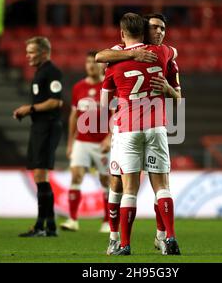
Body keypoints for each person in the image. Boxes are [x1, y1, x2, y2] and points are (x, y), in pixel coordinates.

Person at [96, 13, 182, 255]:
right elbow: (173, 51)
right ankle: (170, 238)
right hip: (156, 128)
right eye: (155, 28)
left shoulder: (113, 62)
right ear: (144, 31)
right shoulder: (163, 53)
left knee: (128, 189)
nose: (159, 32)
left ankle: (123, 244)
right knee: (162, 187)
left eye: (162, 28)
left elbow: (103, 104)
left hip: (127, 130)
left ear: (123, 33)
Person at [13, 37, 63, 237]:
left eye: (31, 52)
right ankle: (48, 226)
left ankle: (43, 226)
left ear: (44, 52)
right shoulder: (40, 73)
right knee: (38, 176)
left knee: (41, 175)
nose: (27, 56)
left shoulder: (52, 72)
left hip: (48, 126)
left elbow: (56, 102)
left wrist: (30, 108)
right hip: (39, 126)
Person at [61, 51, 112, 233]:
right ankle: (72, 220)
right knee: (76, 176)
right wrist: (70, 143)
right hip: (82, 140)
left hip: (102, 142)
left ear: (102, 65)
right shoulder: (78, 87)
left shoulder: (109, 86)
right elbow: (74, 116)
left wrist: (109, 138)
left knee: (106, 180)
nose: (91, 65)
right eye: (88, 62)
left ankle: (107, 222)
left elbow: (116, 114)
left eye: (95, 62)